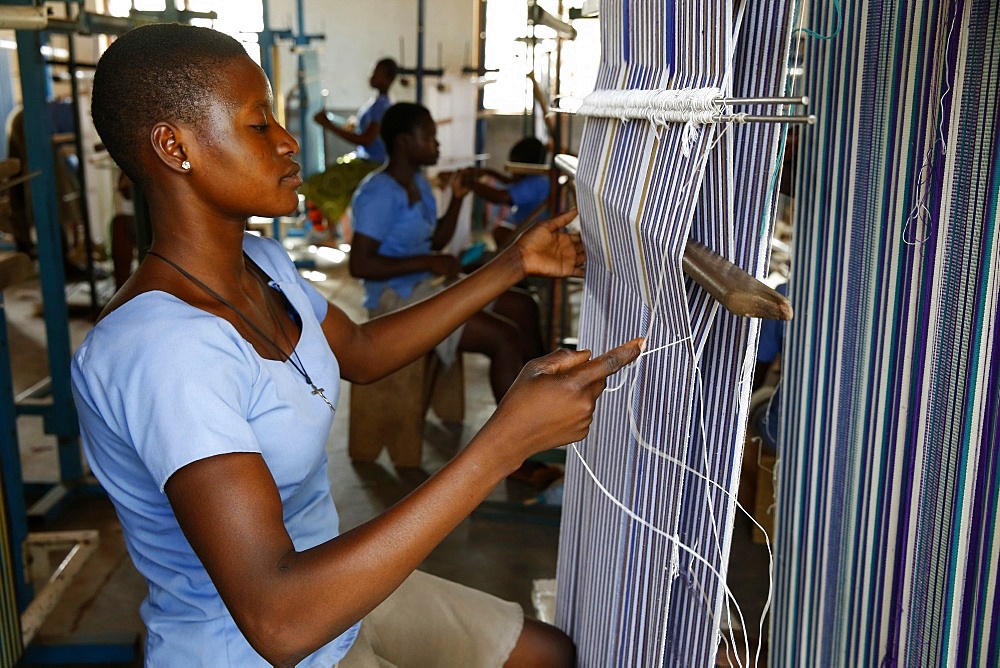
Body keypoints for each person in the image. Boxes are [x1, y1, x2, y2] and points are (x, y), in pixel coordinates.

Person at [74, 23, 641, 667]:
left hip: (340, 588)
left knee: (548, 654)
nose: (289, 144)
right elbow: (279, 622)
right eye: (260, 125)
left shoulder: (263, 265)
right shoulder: (162, 352)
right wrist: (504, 442)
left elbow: (364, 354)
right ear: (175, 147)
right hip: (262, 639)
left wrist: (512, 264)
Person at [350, 103, 545, 403]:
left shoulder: (417, 182)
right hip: (395, 298)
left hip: (427, 282)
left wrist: (456, 198)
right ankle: (523, 435)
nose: (437, 143)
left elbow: (436, 241)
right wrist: (428, 261)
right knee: (504, 338)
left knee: (524, 306)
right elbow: (360, 265)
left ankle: (546, 394)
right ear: (403, 142)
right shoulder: (378, 193)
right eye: (429, 137)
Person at [301, 58, 398, 236]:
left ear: (388, 79)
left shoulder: (381, 106)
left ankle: (327, 233)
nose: (371, 75)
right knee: (329, 185)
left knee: (319, 185)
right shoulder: (377, 103)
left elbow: (367, 139)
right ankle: (331, 232)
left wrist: (328, 125)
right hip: (364, 159)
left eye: (377, 72)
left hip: (371, 164)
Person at [463, 136, 550, 248]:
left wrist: (469, 183)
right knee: (501, 231)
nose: (512, 172)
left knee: (500, 233)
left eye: (514, 166)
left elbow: (501, 197)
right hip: (535, 233)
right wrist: (489, 173)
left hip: (540, 240)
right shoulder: (538, 179)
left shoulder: (536, 183)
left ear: (523, 166)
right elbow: (510, 182)